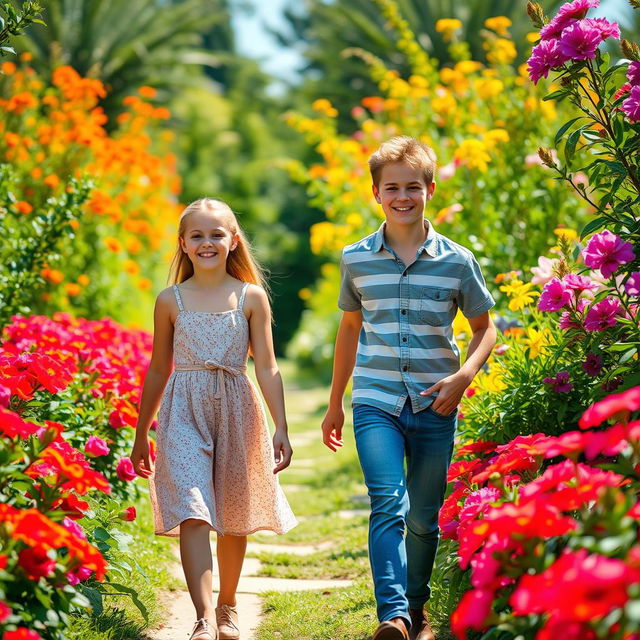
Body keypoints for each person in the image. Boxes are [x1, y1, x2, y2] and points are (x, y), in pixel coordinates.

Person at [321, 137, 496, 640]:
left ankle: (416, 609)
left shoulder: (457, 261)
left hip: (437, 402)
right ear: (376, 193)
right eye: (392, 187)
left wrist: (464, 378)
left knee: (423, 517)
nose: (403, 196)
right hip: (374, 399)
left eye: (412, 186)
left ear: (430, 189)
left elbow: (486, 328)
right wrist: (335, 402)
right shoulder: (356, 259)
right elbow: (350, 329)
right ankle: (392, 614)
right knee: (386, 501)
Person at [130, 197, 297, 640]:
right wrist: (142, 430)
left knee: (234, 513)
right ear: (183, 244)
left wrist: (280, 426)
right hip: (183, 409)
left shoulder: (250, 297)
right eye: (197, 235)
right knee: (193, 511)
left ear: (233, 240)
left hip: (238, 409)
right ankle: (203, 617)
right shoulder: (170, 300)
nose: (207, 243)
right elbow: (159, 368)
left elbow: (267, 366)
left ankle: (228, 606)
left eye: (216, 234)